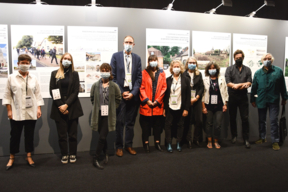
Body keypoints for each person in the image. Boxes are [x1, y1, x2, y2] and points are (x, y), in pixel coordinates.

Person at [2, 54, 44, 170]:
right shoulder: (11, 77)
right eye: (23, 62)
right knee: (14, 136)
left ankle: (28, 156)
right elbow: (7, 95)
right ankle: (12, 157)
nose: (25, 65)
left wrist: (39, 108)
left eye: (27, 63)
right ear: (18, 64)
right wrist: (9, 110)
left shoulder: (33, 78)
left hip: (31, 111)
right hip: (17, 112)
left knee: (29, 135)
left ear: (29, 64)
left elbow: (38, 95)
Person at [110, 35, 142, 157]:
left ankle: (129, 145)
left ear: (133, 45)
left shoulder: (137, 58)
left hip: (132, 95)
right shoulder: (115, 56)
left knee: (130, 122)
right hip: (120, 93)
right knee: (119, 122)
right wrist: (121, 91)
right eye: (126, 42)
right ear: (123, 43)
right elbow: (112, 76)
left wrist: (133, 93)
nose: (128, 44)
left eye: (131, 42)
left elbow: (139, 78)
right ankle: (119, 147)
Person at [49, 52, 83, 164]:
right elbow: (53, 90)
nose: (67, 60)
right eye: (65, 58)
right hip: (59, 108)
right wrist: (61, 105)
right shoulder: (55, 73)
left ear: (71, 61)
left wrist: (66, 104)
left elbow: (75, 91)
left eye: (69, 59)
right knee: (62, 134)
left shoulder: (75, 74)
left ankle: (73, 153)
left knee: (73, 134)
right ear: (61, 60)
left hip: (72, 107)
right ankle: (64, 154)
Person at [250, 53, 288, 151]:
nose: (267, 60)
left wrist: (284, 98)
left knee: (273, 121)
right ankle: (262, 138)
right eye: (265, 58)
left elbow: (283, 86)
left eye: (269, 58)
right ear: (262, 61)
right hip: (261, 100)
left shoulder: (278, 71)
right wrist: (252, 100)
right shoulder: (258, 73)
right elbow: (254, 87)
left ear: (272, 60)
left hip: (273, 100)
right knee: (262, 120)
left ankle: (275, 141)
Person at [90, 63, 121, 169]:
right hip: (98, 115)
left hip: (108, 115)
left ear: (110, 72)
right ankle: (106, 153)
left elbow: (118, 99)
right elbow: (92, 98)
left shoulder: (114, 86)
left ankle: (96, 158)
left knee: (102, 136)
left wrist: (112, 108)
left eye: (106, 70)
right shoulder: (95, 85)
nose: (104, 72)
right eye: (102, 70)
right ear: (100, 72)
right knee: (102, 137)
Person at [139, 55, 167, 152]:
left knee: (157, 126)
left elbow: (164, 88)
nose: (153, 62)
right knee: (145, 127)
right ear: (148, 62)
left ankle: (157, 143)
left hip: (157, 105)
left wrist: (157, 101)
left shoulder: (162, 73)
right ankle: (146, 144)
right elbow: (141, 88)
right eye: (151, 60)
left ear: (157, 61)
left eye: (155, 60)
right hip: (146, 105)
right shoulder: (144, 73)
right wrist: (147, 100)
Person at [225, 50, 252, 148]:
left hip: (243, 97)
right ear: (234, 58)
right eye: (236, 58)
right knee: (232, 118)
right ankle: (234, 136)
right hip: (232, 97)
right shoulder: (229, 69)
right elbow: (228, 83)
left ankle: (246, 139)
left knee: (245, 118)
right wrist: (241, 85)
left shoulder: (247, 69)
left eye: (240, 58)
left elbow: (249, 83)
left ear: (243, 58)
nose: (238, 59)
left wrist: (237, 85)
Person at [164, 60, 190, 153]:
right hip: (170, 106)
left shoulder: (186, 79)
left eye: (178, 66)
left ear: (181, 67)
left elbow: (188, 96)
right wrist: (164, 109)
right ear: (171, 68)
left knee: (180, 125)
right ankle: (169, 143)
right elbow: (166, 95)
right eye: (174, 66)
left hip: (181, 106)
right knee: (168, 125)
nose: (176, 68)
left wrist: (186, 109)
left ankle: (179, 143)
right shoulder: (168, 80)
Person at [202, 62, 228, 149]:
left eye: (213, 68)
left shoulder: (221, 79)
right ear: (207, 70)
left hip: (219, 105)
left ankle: (216, 141)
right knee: (208, 123)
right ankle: (209, 141)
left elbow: (225, 92)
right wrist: (203, 107)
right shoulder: (205, 79)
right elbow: (203, 94)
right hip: (208, 105)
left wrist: (225, 104)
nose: (212, 70)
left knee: (218, 124)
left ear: (216, 69)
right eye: (210, 68)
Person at [182, 57, 204, 148]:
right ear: (187, 64)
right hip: (186, 101)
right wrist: (188, 100)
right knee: (188, 121)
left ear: (196, 64)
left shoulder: (199, 74)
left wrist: (196, 98)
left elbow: (201, 87)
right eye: (190, 62)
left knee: (198, 120)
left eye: (194, 62)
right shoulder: (183, 74)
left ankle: (196, 139)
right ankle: (188, 140)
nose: (192, 64)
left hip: (197, 100)